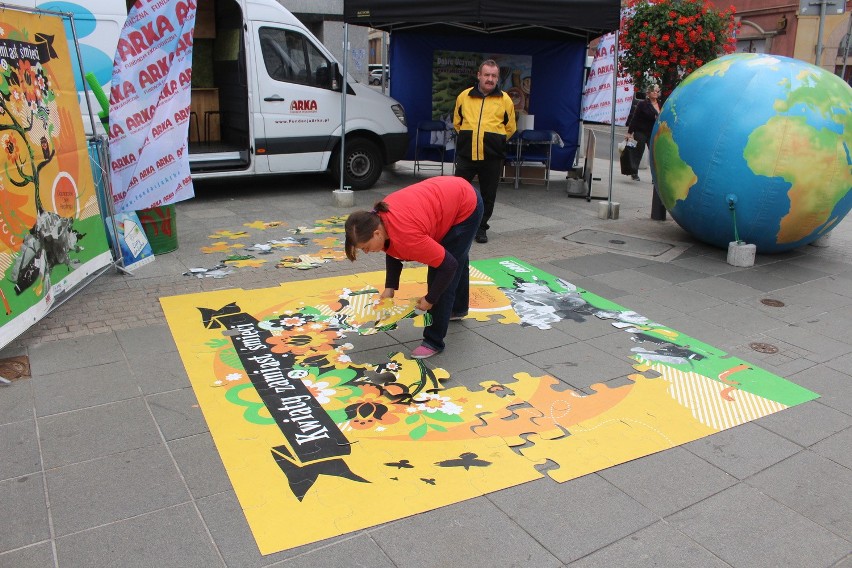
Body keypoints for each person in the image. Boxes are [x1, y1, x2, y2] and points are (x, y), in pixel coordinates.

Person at [344, 176, 484, 359]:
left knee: (442, 272)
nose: (367, 252)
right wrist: (390, 287)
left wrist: (430, 299)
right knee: (456, 253)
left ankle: (433, 341)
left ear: (377, 233)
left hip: (466, 207)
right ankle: (457, 309)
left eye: (365, 248)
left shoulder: (408, 237)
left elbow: (448, 266)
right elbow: (393, 248)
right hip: (450, 194)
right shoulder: (379, 218)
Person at [453, 59, 516, 244]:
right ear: (479, 75)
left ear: (498, 78)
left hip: (492, 157)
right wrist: (468, 138)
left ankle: (481, 228)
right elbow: (457, 122)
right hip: (467, 154)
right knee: (458, 192)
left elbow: (510, 127)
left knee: (488, 194)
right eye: (486, 75)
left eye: (493, 76)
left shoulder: (505, 100)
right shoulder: (464, 96)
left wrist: (496, 141)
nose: (490, 79)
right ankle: (456, 226)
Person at [625, 83, 661, 181]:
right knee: (638, 152)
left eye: (657, 91)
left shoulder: (661, 104)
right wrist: (629, 132)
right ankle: (634, 172)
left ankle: (655, 177)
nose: (655, 92)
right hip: (641, 131)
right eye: (653, 91)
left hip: (653, 133)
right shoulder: (642, 104)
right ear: (648, 93)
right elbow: (635, 118)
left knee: (654, 154)